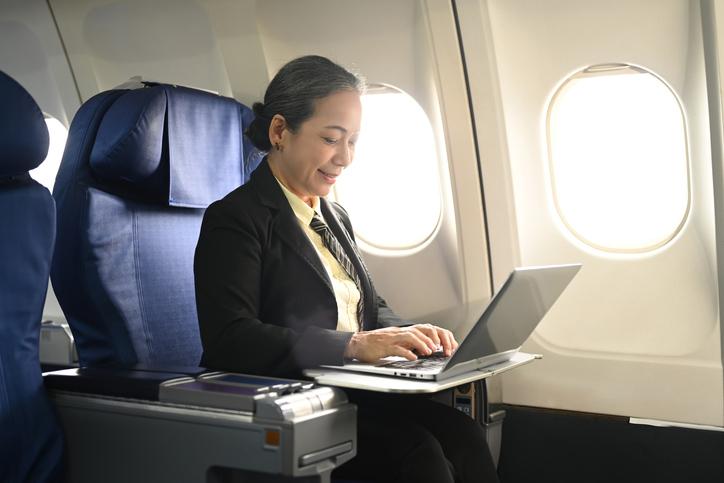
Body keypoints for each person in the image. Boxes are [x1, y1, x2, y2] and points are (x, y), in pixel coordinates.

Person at [194, 54, 500, 483]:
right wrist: (353, 346)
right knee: (418, 452)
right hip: (291, 401)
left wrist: (411, 337)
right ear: (280, 131)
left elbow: (366, 304)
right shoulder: (235, 218)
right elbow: (230, 338)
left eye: (353, 141)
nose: (345, 157)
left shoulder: (334, 215)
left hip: (353, 390)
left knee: (464, 434)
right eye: (332, 138)